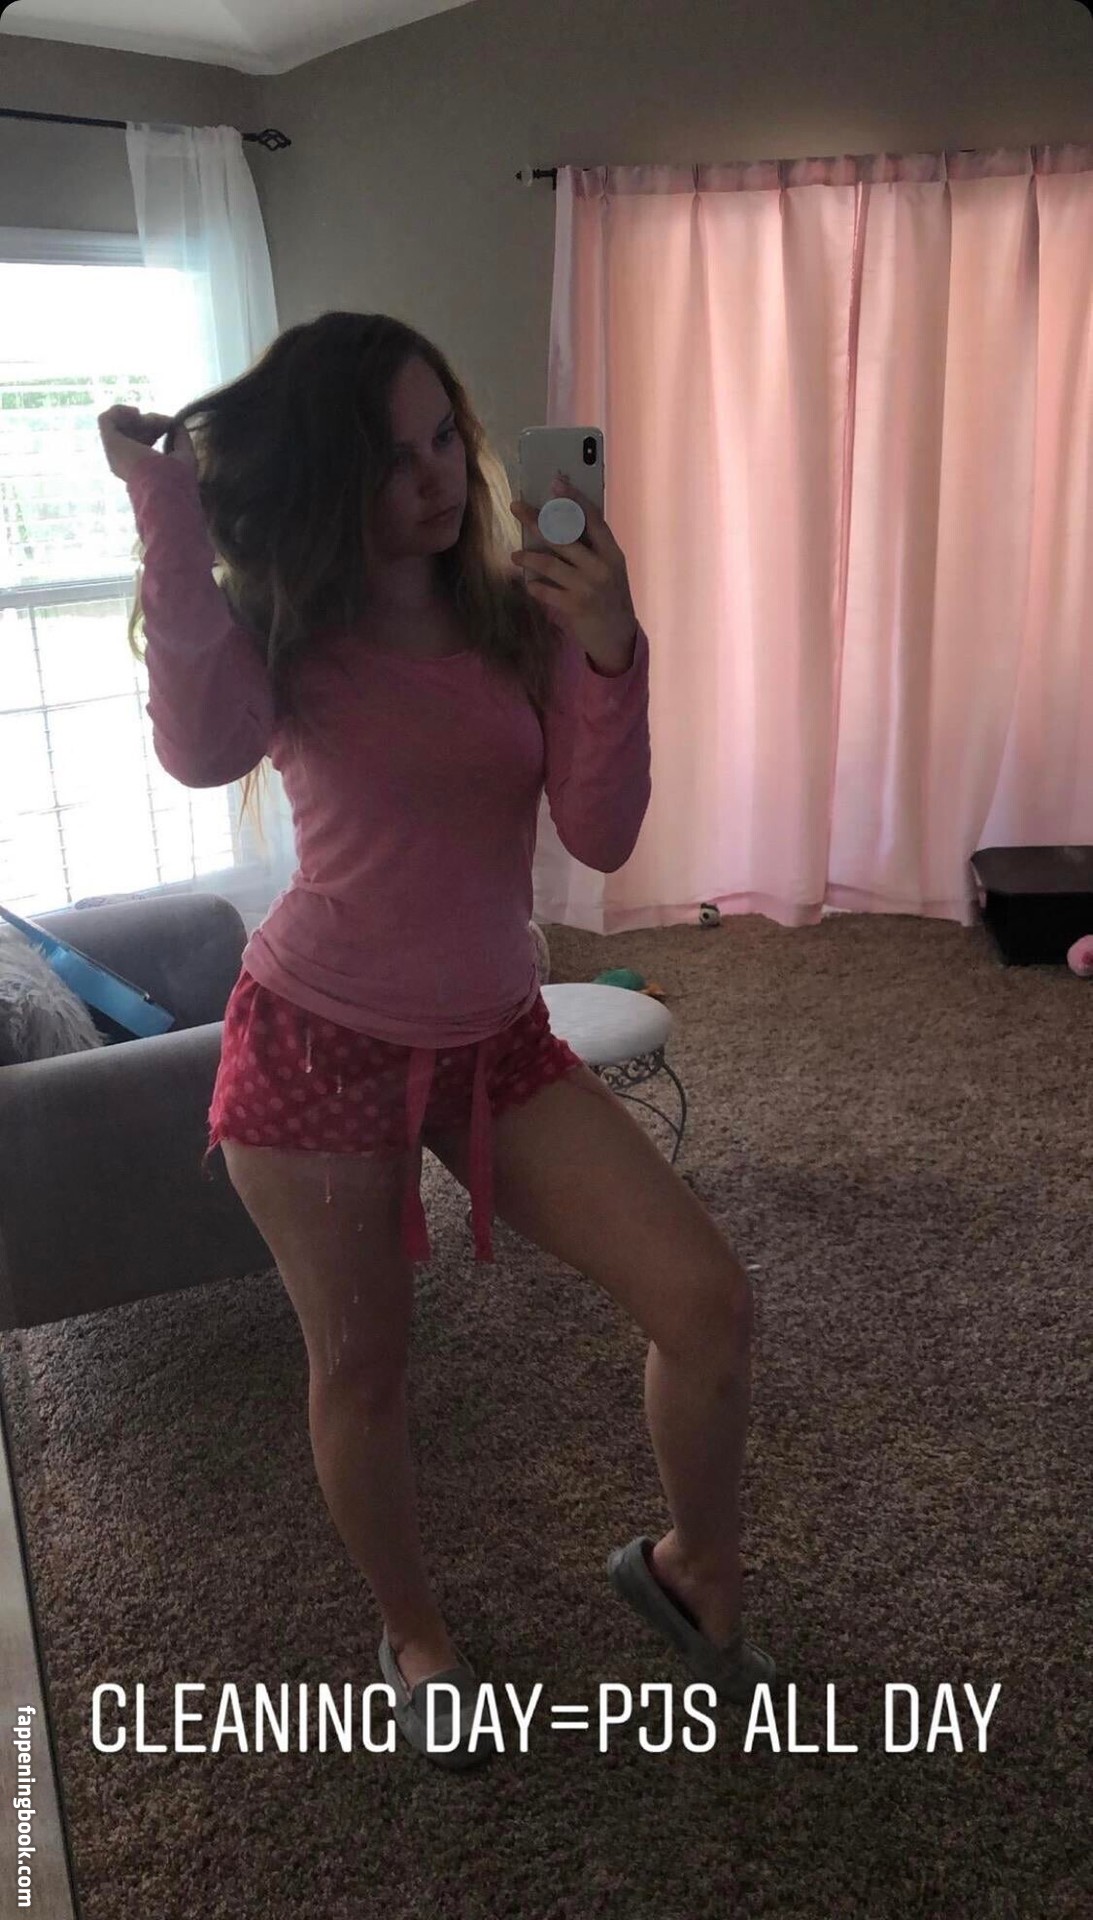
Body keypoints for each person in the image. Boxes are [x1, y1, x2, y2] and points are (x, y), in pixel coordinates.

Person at [97, 311, 774, 1770]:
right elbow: (201, 750)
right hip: (314, 1044)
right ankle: (417, 1638)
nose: (437, 479)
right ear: (325, 476)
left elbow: (600, 831)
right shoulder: (290, 629)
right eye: (390, 456)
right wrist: (165, 515)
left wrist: (610, 646)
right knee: (366, 1368)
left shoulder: (517, 618)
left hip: (495, 1036)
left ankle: (693, 1569)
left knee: (707, 1301)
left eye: (442, 441)